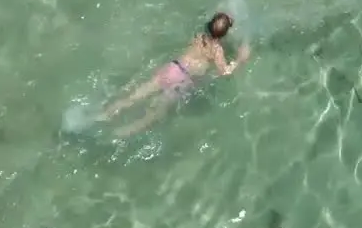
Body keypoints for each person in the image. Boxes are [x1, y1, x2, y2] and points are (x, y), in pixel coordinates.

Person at [97, 12, 251, 137]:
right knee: (154, 115)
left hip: (172, 68)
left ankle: (104, 115)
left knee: (135, 96)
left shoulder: (198, 37)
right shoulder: (217, 50)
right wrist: (239, 59)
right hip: (182, 80)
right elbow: (224, 72)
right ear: (224, 35)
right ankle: (122, 133)